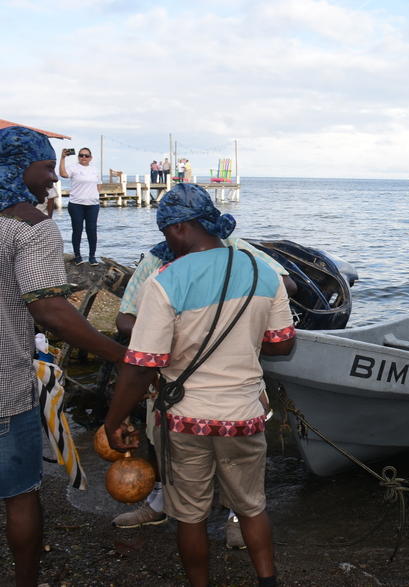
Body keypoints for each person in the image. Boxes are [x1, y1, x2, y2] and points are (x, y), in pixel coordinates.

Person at [105, 183, 295, 587]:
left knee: (189, 515)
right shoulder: (263, 270)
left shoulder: (165, 280)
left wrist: (114, 420)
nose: (166, 241)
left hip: (186, 421)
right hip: (244, 416)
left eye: (167, 232)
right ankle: (267, 579)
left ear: (180, 228)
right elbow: (281, 345)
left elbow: (141, 366)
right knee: (252, 507)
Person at [1, 126, 126, 587]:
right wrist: (118, 353)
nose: (54, 179)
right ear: (22, 167)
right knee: (19, 495)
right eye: (47, 167)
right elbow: (50, 307)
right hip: (4, 386)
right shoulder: (29, 226)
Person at [59, 146, 101, 264]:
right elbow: (62, 174)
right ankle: (78, 256)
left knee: (91, 230)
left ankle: (92, 257)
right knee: (77, 230)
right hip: (76, 204)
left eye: (86, 156)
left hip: (92, 205)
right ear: (78, 157)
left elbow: (99, 185)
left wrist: (95, 196)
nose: (84, 157)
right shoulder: (74, 168)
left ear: (90, 158)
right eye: (81, 155)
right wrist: (63, 158)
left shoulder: (95, 170)